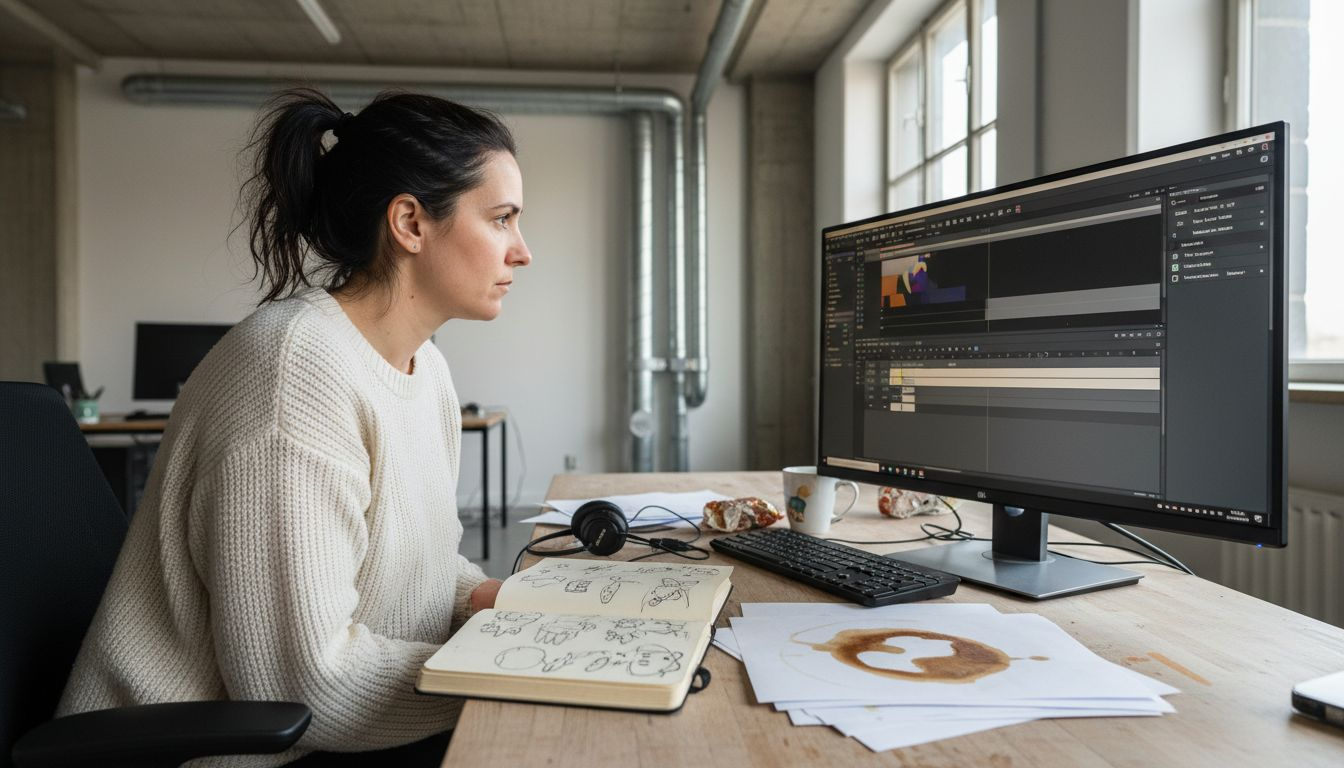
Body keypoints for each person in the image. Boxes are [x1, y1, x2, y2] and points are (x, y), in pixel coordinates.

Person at [56, 87, 532, 766]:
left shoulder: (426, 369)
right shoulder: (293, 371)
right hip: (219, 752)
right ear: (411, 223)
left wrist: (510, 601)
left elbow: (404, 570)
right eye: (503, 219)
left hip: (331, 741)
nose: (522, 252)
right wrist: (535, 673)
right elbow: (301, 684)